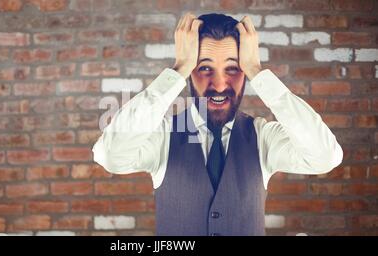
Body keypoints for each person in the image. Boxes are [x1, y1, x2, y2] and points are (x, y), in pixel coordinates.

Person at [92, 13, 343, 236]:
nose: (220, 85)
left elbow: (325, 157)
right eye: (204, 68)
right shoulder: (165, 136)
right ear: (190, 71)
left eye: (233, 68)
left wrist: (257, 70)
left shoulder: (262, 136)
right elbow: (112, 155)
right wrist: (178, 69)